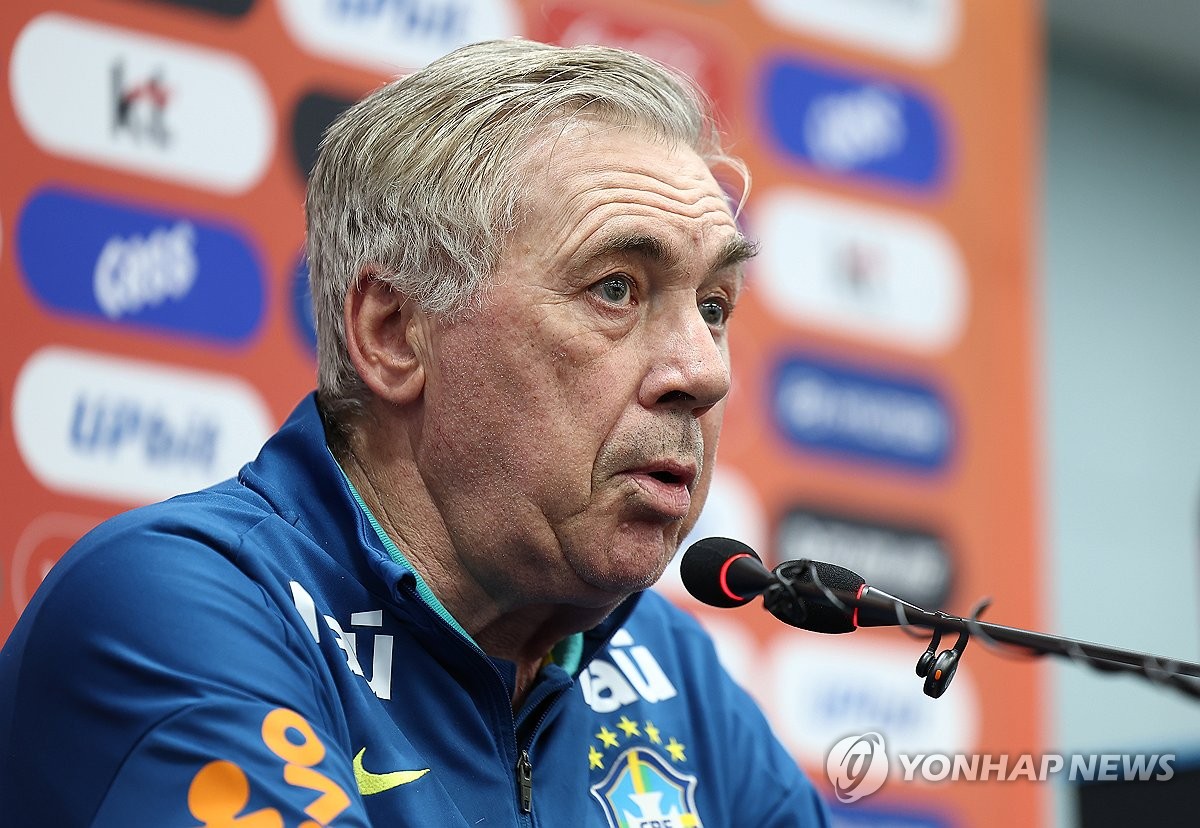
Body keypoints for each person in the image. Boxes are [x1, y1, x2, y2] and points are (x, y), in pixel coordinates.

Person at [0, 39, 831, 826]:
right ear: (394, 333)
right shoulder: (177, 604)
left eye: (713, 307)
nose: (705, 372)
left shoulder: (671, 667)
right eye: (615, 288)